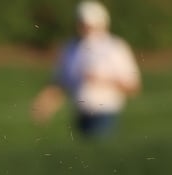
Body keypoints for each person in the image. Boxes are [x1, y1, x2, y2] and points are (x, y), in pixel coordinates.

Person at [30, 1, 141, 138]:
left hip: (105, 114)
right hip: (79, 113)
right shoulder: (71, 48)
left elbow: (133, 87)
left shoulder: (115, 48)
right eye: (82, 24)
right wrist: (46, 103)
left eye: (89, 25)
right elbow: (62, 82)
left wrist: (102, 79)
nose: (84, 29)